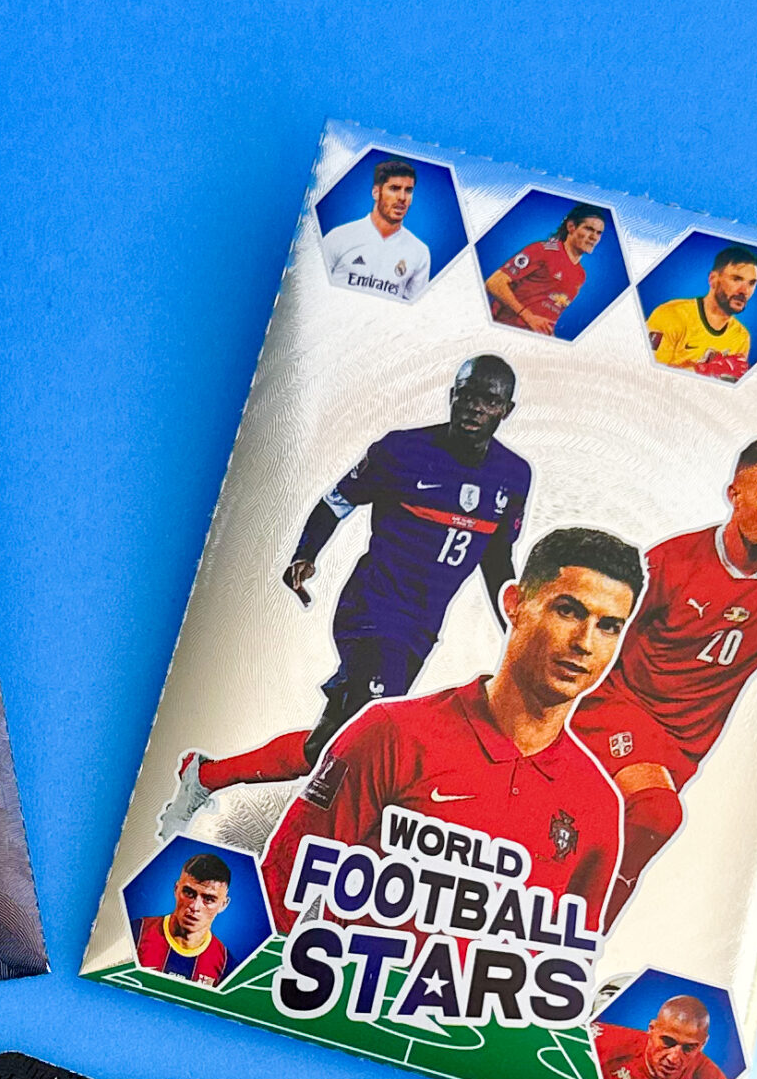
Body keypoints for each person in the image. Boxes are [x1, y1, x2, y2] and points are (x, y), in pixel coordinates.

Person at [158, 357, 530, 829]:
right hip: (372, 609)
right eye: (468, 394)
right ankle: (323, 840)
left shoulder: (514, 475)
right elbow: (337, 502)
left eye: (489, 400)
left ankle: (205, 776)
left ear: (506, 410)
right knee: (370, 741)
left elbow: (496, 560)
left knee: (329, 745)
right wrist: (306, 553)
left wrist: (517, 627)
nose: (475, 407)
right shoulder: (403, 450)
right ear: (452, 394)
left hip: (419, 629)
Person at [259, 526, 644, 935]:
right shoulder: (392, 734)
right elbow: (278, 893)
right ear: (514, 604)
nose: (585, 643)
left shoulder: (598, 805)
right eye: (567, 611)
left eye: (609, 626)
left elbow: (567, 955)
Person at [565, 440, 757, 919]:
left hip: (686, 743)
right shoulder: (671, 562)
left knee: (597, 837)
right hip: (618, 708)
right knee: (655, 813)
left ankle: (569, 937)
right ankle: (576, 933)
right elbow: (602, 629)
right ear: (735, 494)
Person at [594, 996, 729, 1079]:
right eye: (668, 1041)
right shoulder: (602, 1045)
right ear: (652, 1029)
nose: (673, 1058)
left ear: (703, 1044)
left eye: (689, 1047)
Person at [320, 158, 433, 303]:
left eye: (408, 191)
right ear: (376, 192)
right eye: (394, 188)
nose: (402, 197)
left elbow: (411, 310)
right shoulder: (339, 237)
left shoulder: (419, 252)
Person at [486, 204, 609, 334]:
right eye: (589, 229)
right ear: (571, 227)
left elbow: (550, 313)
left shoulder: (581, 275)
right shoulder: (542, 250)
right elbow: (494, 282)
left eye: (599, 233)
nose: (594, 237)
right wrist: (528, 317)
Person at [646, 244, 757, 379]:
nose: (745, 291)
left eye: (751, 283)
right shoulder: (671, 315)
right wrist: (704, 370)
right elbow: (646, 374)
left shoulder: (741, 337)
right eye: (736, 279)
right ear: (713, 279)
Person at [134, 853, 234, 984]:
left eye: (209, 899)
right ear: (176, 889)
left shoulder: (226, 966)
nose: (195, 906)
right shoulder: (136, 933)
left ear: (223, 905)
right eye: (189, 893)